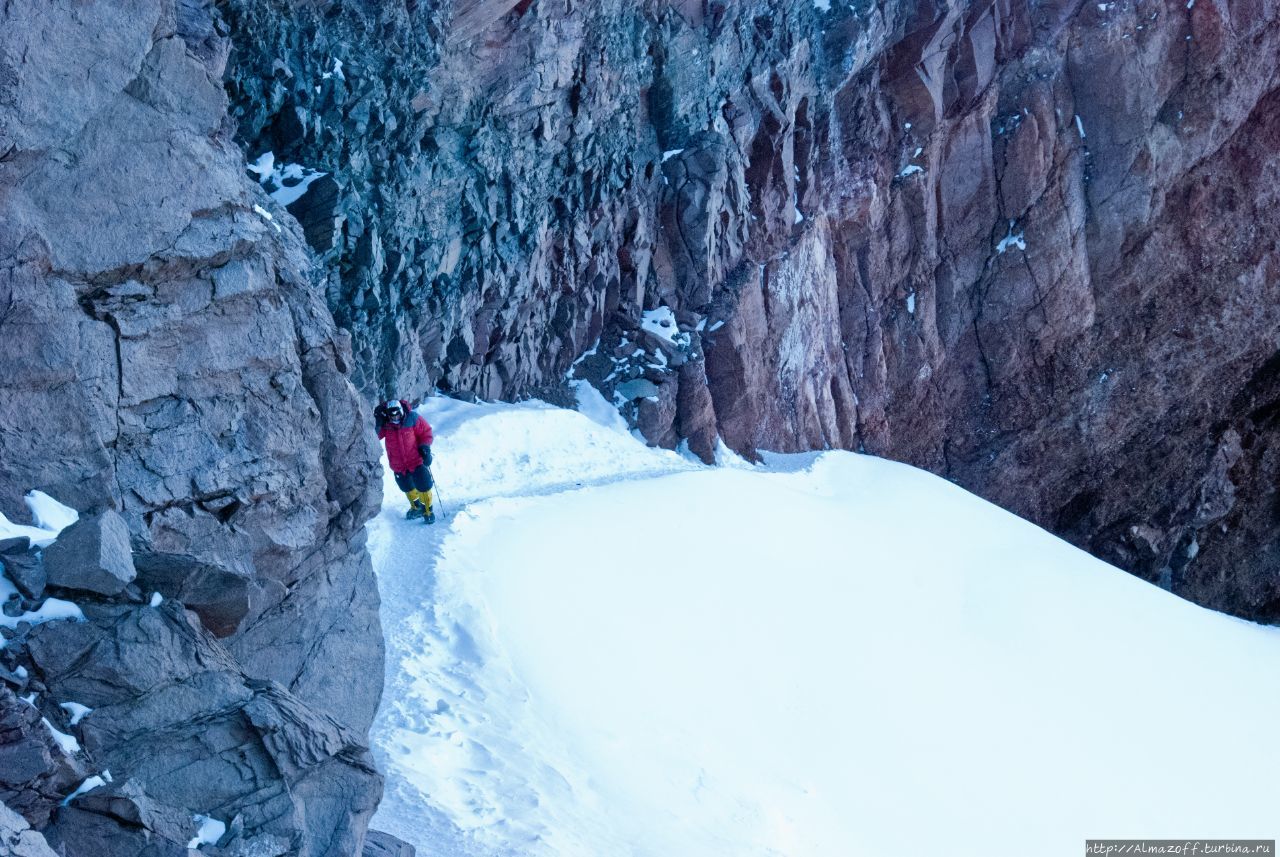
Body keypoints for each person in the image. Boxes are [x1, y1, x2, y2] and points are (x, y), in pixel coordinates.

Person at [375, 398, 435, 523]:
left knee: (424, 485)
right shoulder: (386, 424)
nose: (395, 418)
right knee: (406, 487)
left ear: (401, 411)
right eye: (392, 416)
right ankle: (416, 507)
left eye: (397, 415)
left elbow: (426, 432)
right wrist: (378, 422)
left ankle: (427, 511)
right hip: (398, 464)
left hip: (416, 460)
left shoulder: (412, 418)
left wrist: (425, 447)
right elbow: (376, 436)